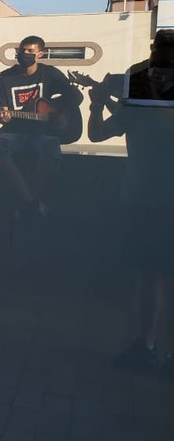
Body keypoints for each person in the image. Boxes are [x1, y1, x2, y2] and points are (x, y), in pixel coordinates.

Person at [88, 29, 174, 371]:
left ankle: (154, 346)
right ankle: (147, 345)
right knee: (148, 274)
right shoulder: (136, 98)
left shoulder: (143, 98)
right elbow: (97, 133)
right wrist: (97, 104)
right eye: (156, 50)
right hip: (142, 196)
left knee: (156, 275)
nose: (157, 61)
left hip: (152, 197)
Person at [0, 35, 82, 216]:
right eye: (22, 50)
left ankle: (26, 202)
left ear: (40, 54)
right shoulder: (4, 78)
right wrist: (3, 117)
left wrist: (60, 115)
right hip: (14, 129)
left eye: (30, 51)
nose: (24, 54)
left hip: (44, 131)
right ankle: (30, 201)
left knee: (51, 154)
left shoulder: (50, 74)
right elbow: (2, 114)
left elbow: (77, 97)